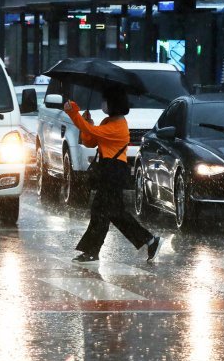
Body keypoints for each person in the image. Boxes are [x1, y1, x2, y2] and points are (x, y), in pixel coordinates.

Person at [63, 87, 163, 263]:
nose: (103, 104)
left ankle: (93, 251)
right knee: (114, 213)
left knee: (101, 211)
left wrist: (74, 115)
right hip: (107, 170)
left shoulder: (118, 126)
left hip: (114, 171)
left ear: (114, 104)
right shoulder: (107, 121)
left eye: (106, 101)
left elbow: (92, 132)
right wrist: (88, 123)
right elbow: (90, 141)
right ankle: (149, 241)